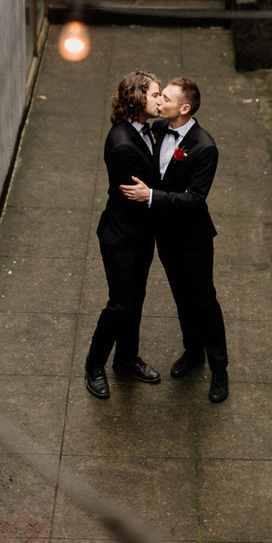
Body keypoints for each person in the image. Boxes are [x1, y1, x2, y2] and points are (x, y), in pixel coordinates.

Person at [121, 77, 229, 403]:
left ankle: (219, 368)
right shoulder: (156, 130)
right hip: (165, 237)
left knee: (204, 301)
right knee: (182, 297)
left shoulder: (204, 147)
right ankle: (192, 352)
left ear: (184, 108)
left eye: (165, 97)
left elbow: (195, 199)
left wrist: (150, 195)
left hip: (194, 240)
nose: (159, 101)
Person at [84, 71, 162, 399]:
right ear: (136, 98)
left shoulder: (146, 129)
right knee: (120, 304)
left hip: (140, 234)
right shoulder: (122, 144)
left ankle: (127, 359)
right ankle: (94, 365)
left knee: (136, 299)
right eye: (155, 94)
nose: (161, 100)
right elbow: (141, 196)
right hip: (121, 236)